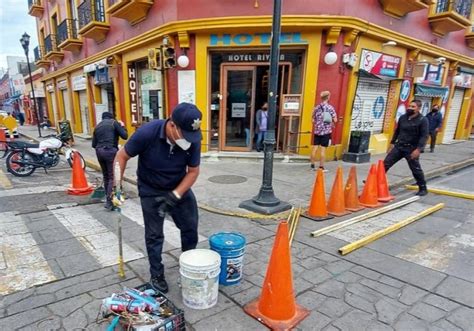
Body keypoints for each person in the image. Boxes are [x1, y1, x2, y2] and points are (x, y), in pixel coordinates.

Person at [114, 102, 202, 293]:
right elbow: (121, 156)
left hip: (179, 185)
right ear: (172, 125)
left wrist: (176, 195)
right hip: (151, 188)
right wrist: (117, 187)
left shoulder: (192, 138)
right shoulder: (147, 133)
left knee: (190, 228)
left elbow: (193, 171)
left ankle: (188, 265)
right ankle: (157, 273)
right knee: (154, 235)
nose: (188, 140)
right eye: (184, 135)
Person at [384, 100, 429, 196]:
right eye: (409, 106)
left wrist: (418, 149)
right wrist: (392, 143)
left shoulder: (422, 120)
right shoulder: (403, 118)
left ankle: (423, 188)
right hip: (399, 146)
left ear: (418, 108)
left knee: (415, 169)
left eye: (413, 107)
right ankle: (374, 182)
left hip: (411, 149)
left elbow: (424, 136)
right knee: (385, 163)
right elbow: (397, 131)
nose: (410, 108)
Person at [92, 112, 128, 210]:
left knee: (106, 176)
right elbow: (125, 136)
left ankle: (109, 198)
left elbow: (93, 144)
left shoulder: (97, 126)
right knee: (113, 176)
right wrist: (123, 126)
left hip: (99, 152)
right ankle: (110, 201)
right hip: (110, 151)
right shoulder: (113, 123)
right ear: (112, 117)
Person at [310, 91, 337, 171]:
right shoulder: (330, 108)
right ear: (328, 97)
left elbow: (312, 120)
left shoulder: (317, 107)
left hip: (317, 131)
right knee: (323, 150)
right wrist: (330, 120)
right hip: (326, 132)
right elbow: (335, 120)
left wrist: (318, 123)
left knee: (314, 148)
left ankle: (312, 165)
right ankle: (321, 167)